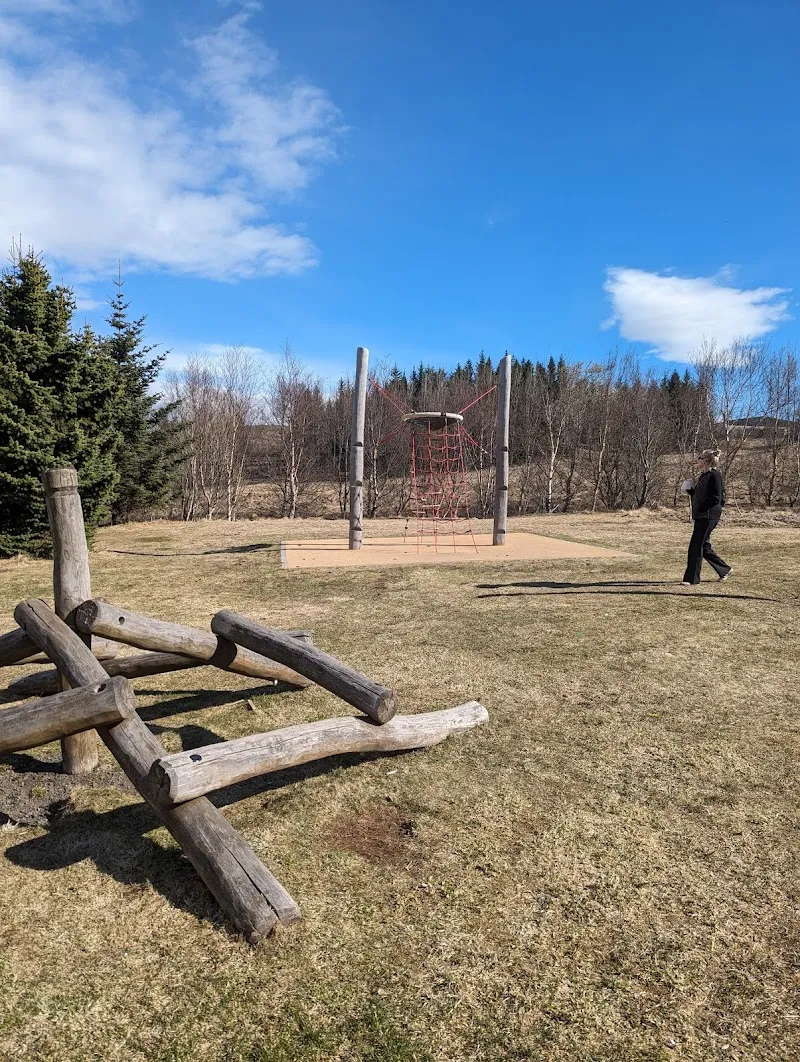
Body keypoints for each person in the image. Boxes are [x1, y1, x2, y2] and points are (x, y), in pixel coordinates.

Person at [681, 449, 732, 586]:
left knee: (696, 546)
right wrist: (690, 491)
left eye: (700, 458)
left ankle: (691, 579)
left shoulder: (715, 476)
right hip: (702, 515)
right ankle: (724, 569)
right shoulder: (704, 476)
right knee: (704, 545)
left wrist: (703, 508)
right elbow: (699, 496)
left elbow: (717, 498)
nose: (697, 460)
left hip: (708, 516)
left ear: (706, 461)